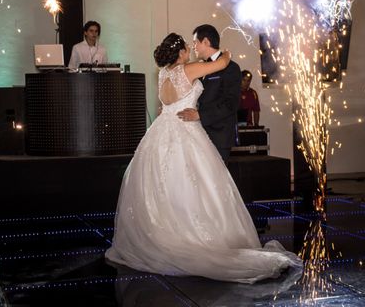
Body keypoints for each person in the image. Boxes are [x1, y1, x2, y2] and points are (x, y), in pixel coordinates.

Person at [105, 33, 301, 283]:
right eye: (187, 47)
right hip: (185, 130)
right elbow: (220, 63)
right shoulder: (189, 69)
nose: (190, 48)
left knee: (164, 187)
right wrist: (227, 53)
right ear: (180, 53)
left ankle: (165, 236)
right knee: (198, 183)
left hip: (161, 130)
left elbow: (162, 107)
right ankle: (195, 238)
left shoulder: (163, 73)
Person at [177, 24, 241, 162]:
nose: (193, 47)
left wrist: (200, 115)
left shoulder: (231, 68)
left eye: (195, 42)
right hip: (198, 132)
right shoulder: (201, 68)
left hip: (219, 135)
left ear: (205, 41)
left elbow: (231, 103)